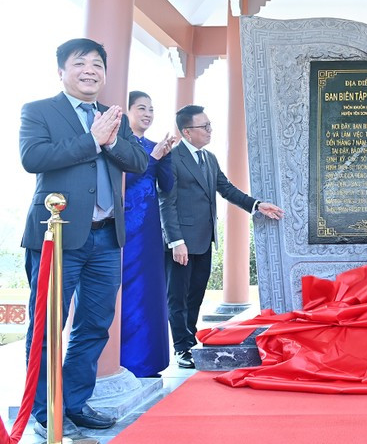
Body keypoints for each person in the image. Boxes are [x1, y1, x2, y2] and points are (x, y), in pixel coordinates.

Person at [20, 38, 148, 439]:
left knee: (94, 325)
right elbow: (33, 158)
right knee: (46, 325)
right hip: (56, 237)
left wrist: (110, 141)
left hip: (107, 239)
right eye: (80, 63)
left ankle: (73, 401)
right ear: (62, 70)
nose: (90, 70)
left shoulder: (114, 116)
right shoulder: (39, 111)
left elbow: (139, 162)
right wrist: (91, 140)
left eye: (97, 64)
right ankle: (45, 409)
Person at [159, 105, 285, 369]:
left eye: (209, 125)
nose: (209, 130)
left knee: (195, 295)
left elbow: (226, 189)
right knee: (178, 297)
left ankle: (190, 338)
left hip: (204, 239)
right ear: (186, 132)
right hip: (181, 242)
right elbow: (166, 203)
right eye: (203, 127)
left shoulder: (209, 159)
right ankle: (181, 347)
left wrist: (257, 205)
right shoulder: (172, 158)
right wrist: (175, 241)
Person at [120, 91, 178, 378]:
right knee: (126, 289)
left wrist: (165, 158)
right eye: (141, 108)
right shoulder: (119, 144)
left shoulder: (155, 146)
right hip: (125, 223)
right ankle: (122, 361)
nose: (147, 114)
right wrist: (153, 159)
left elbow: (167, 186)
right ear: (128, 111)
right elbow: (124, 180)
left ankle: (148, 361)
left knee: (151, 290)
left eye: (151, 109)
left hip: (150, 229)